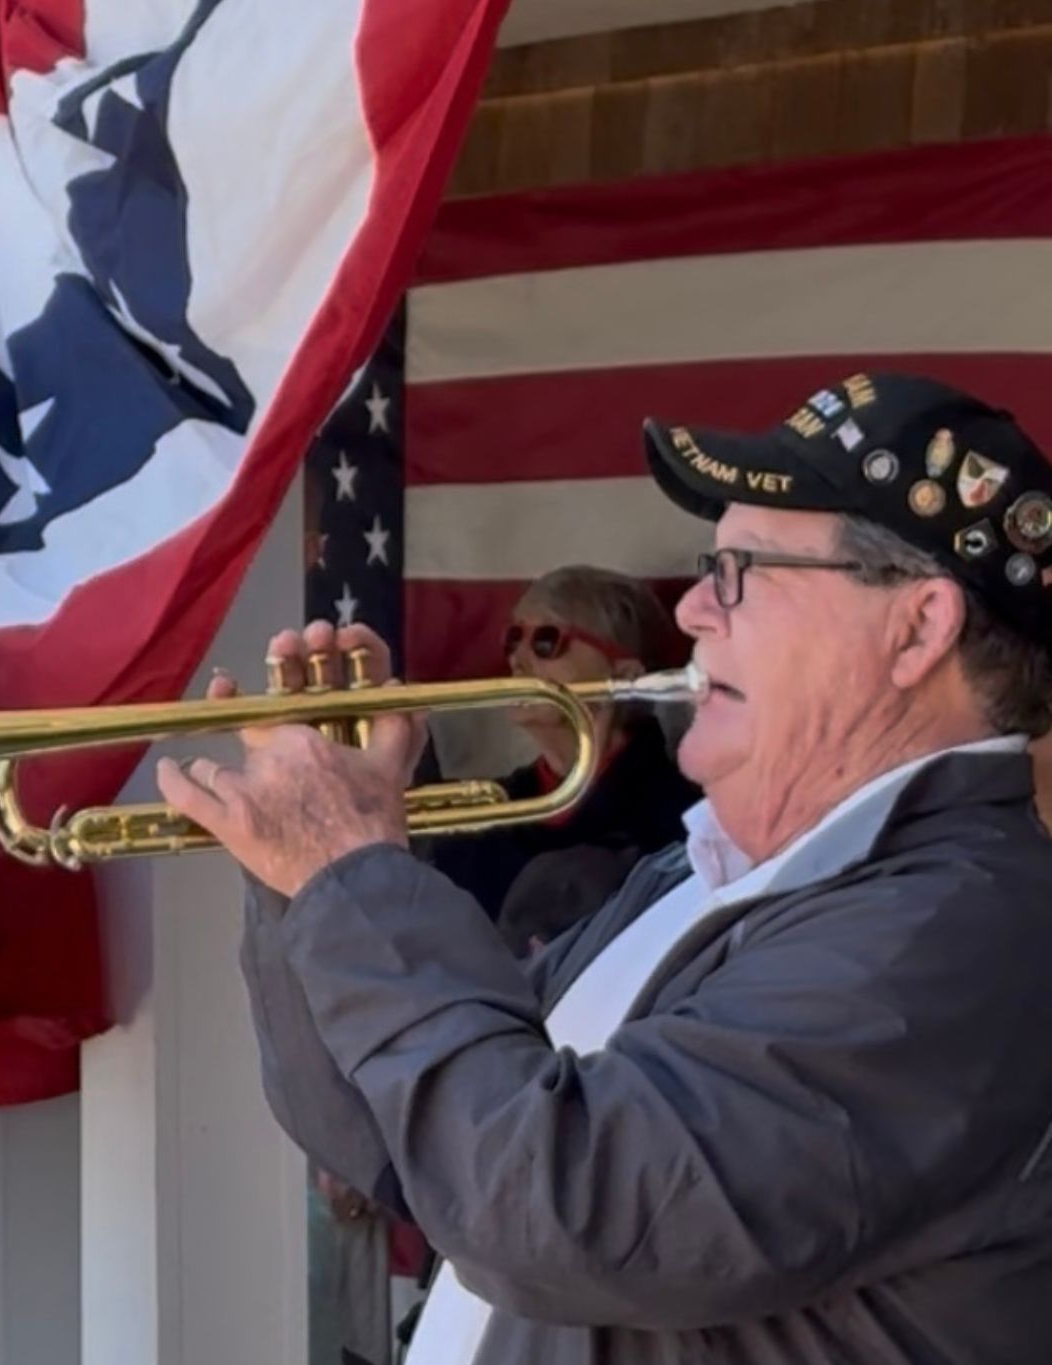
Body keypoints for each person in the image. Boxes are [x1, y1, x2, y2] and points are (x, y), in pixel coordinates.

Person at [168, 372, 1052, 1363]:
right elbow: (398, 1143)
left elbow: (563, 1209)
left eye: (735, 574)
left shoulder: (956, 930)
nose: (689, 618)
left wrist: (349, 873)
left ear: (916, 628)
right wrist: (301, 875)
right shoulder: (702, 874)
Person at [423, 566, 698, 955]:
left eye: (546, 641)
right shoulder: (482, 819)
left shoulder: (686, 819)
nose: (518, 659)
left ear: (623, 674)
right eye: (513, 638)